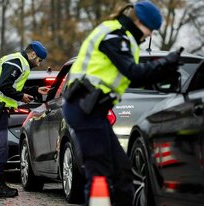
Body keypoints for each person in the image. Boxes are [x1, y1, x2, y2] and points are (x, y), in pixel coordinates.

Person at [62, 1, 182, 206]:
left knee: (122, 171)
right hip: (84, 107)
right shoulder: (114, 36)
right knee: (99, 172)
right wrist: (165, 63)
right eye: (149, 29)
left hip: (93, 110)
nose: (150, 35)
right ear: (138, 21)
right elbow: (133, 72)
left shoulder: (123, 38)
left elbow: (133, 78)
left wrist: (164, 71)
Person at [0, 41, 50, 198]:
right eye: (39, 60)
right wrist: (21, 96)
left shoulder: (18, 62)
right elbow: (5, 85)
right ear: (32, 54)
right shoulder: (17, 63)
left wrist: (34, 90)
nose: (38, 64)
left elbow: (13, 87)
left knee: (0, 148)